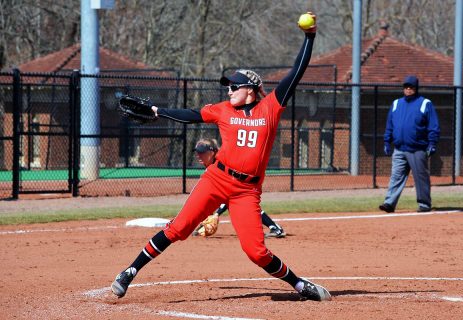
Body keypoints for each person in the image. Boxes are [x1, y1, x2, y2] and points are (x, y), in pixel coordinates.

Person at [111, 13, 331, 302]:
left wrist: (310, 36)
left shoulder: (271, 108)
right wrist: (157, 111)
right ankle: (129, 271)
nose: (228, 90)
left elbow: (296, 72)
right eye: (227, 86)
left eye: (234, 86)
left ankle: (300, 285)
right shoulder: (223, 109)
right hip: (216, 179)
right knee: (178, 228)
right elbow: (191, 115)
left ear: (250, 90)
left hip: (246, 191)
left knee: (257, 252)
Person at [191, 138, 286, 238]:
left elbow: (228, 195)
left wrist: (217, 214)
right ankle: (275, 228)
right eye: (197, 152)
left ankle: (276, 228)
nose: (198, 155)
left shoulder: (220, 163)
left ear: (212, 151)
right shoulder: (211, 164)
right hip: (235, 185)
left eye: (201, 152)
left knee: (248, 208)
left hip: (246, 183)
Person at [379, 75, 440, 213]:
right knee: (396, 176)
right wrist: (387, 141)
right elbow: (390, 125)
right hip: (399, 148)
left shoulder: (425, 103)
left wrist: (432, 143)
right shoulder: (396, 104)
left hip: (417, 148)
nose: (408, 89)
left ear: (416, 88)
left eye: (411, 87)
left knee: (420, 177)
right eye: (406, 87)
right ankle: (389, 203)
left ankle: (424, 203)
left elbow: (433, 126)